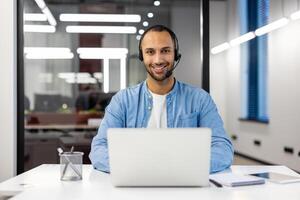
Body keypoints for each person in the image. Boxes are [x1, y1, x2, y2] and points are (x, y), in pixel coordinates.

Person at [89, 24, 233, 173]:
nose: (158, 60)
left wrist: (181, 168)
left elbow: (222, 149)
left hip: (185, 185)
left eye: (165, 51)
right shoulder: (122, 101)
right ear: (142, 56)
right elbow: (99, 148)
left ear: (176, 54)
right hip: (136, 186)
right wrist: (138, 169)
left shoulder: (200, 99)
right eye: (150, 52)